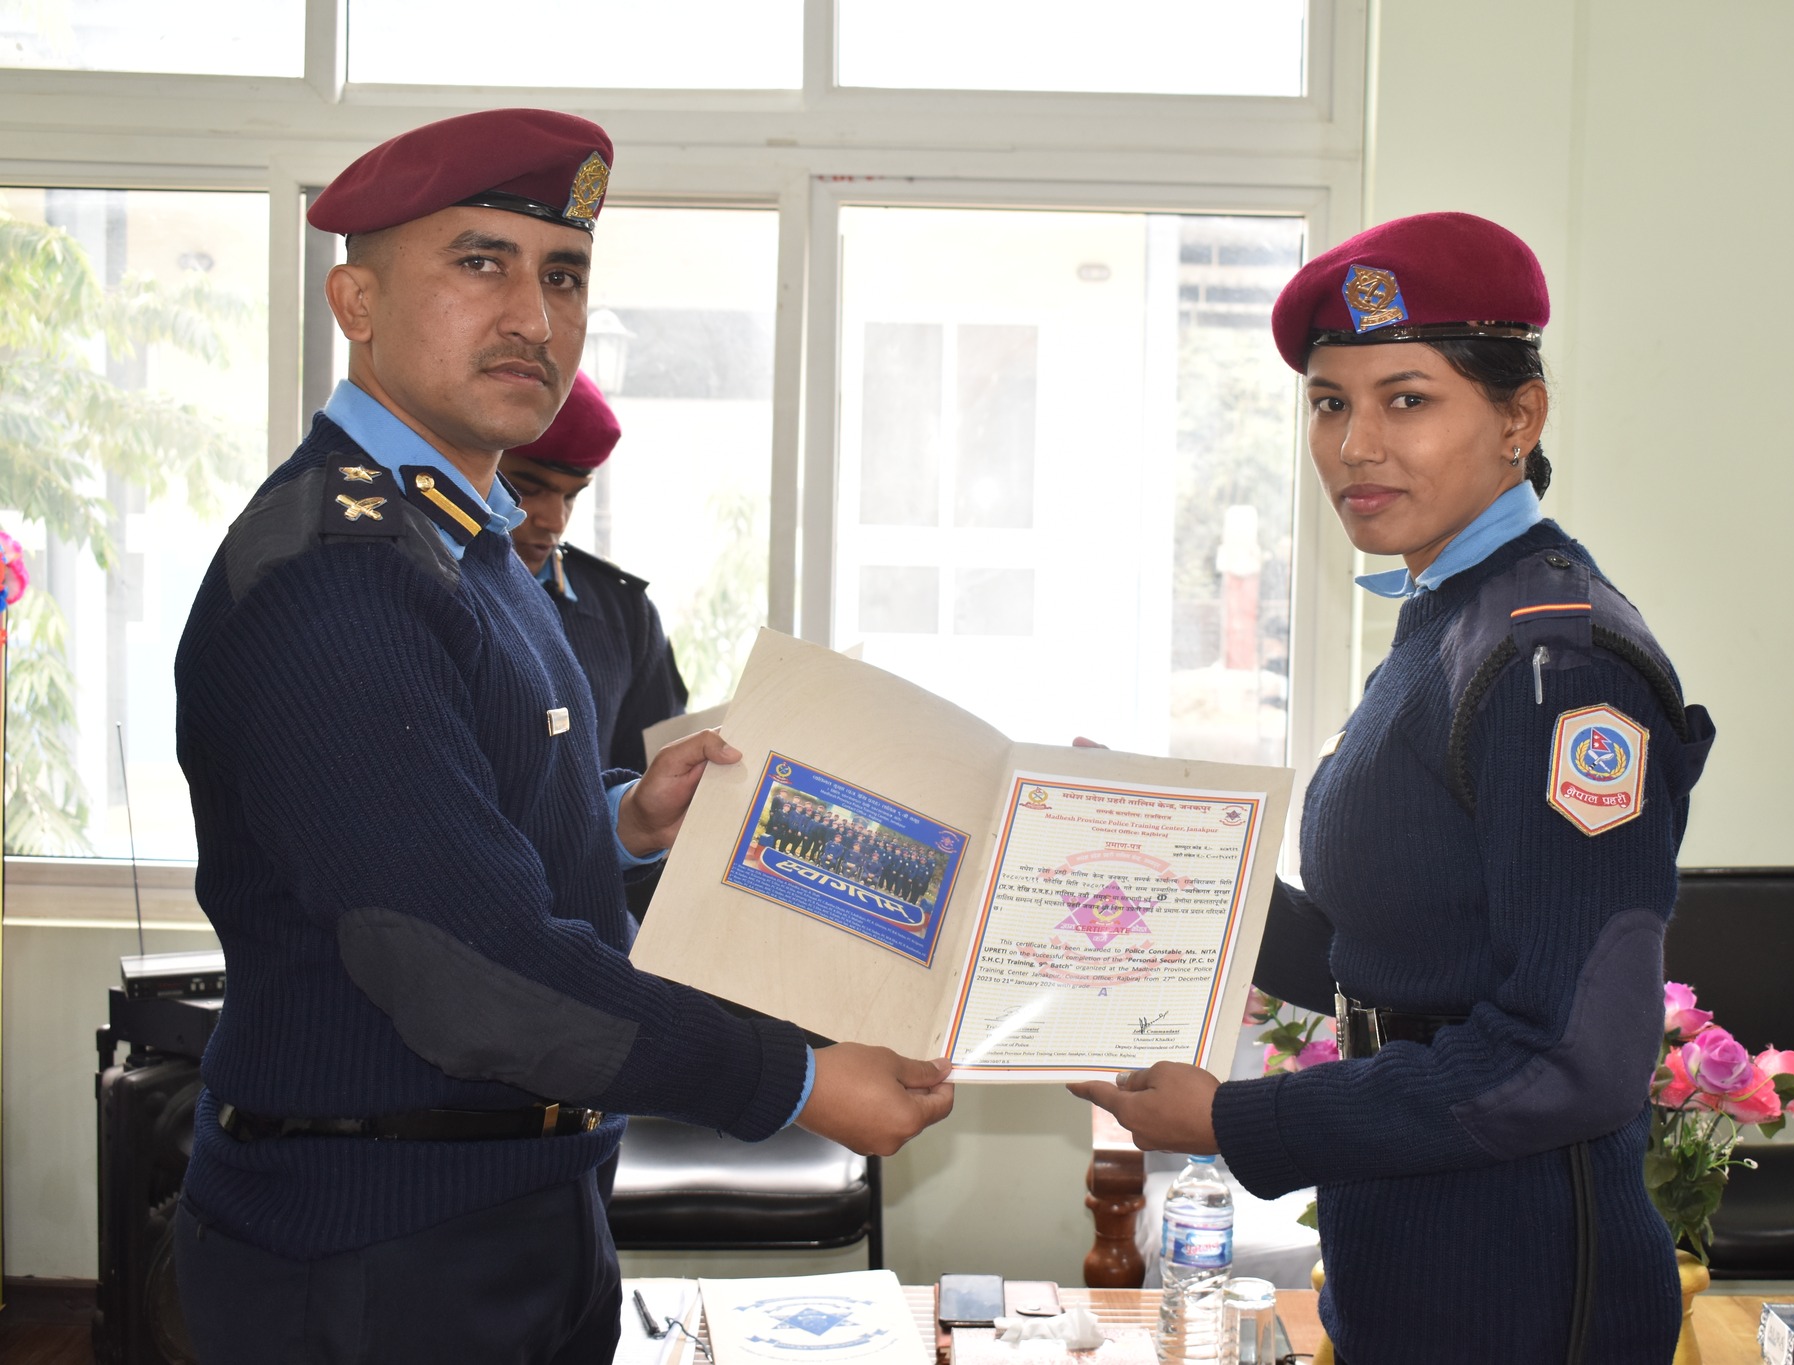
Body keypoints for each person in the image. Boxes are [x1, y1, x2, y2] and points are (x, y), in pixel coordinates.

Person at [171, 108, 953, 1365]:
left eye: (565, 276)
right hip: (377, 1251)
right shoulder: (343, 572)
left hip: (524, 1206)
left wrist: (624, 818)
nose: (534, 319)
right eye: (480, 264)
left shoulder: (472, 548)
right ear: (356, 301)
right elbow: (466, 967)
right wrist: (798, 1081)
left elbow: (458, 831)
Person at [1070, 212, 1716, 1362]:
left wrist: (1235, 1119)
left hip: (1520, 1281)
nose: (1355, 444)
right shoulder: (1452, 624)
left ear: (1517, 417)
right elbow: (1388, 949)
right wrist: (1153, 843)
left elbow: (1568, 1055)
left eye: (1405, 399)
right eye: (1329, 404)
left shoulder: (1553, 666)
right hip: (1413, 1236)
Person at [502, 371, 688, 774]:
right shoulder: (431, 587)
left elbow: (657, 777)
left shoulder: (626, 615)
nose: (555, 520)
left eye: (572, 495)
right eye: (527, 489)